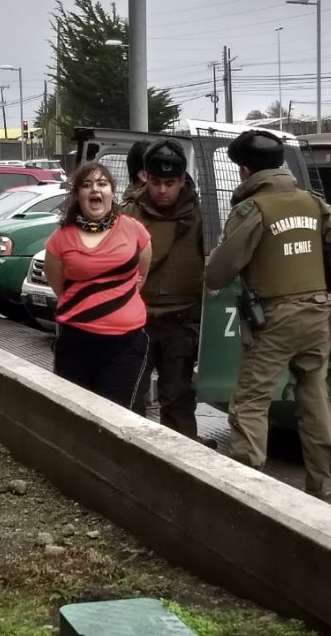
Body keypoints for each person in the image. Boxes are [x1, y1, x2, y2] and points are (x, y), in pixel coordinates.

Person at [204, 130, 331, 499]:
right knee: (314, 396)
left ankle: (246, 490)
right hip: (317, 312)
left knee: (251, 401)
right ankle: (322, 484)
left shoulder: (253, 210)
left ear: (243, 171)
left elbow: (219, 271)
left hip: (274, 317)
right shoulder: (313, 202)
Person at [44, 161, 153, 408]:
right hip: (76, 341)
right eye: (87, 185)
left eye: (102, 184)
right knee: (76, 411)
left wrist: (118, 302)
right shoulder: (61, 238)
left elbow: (141, 275)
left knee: (120, 414)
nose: (95, 189)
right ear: (77, 195)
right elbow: (58, 285)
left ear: (111, 192)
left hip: (126, 343)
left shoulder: (133, 230)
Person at [121, 140, 209, 444]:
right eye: (156, 182)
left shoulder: (200, 216)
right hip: (137, 323)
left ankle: (186, 463)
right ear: (145, 177)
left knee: (179, 399)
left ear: (183, 180)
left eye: (170, 183)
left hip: (180, 324)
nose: (162, 190)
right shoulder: (128, 214)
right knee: (131, 396)